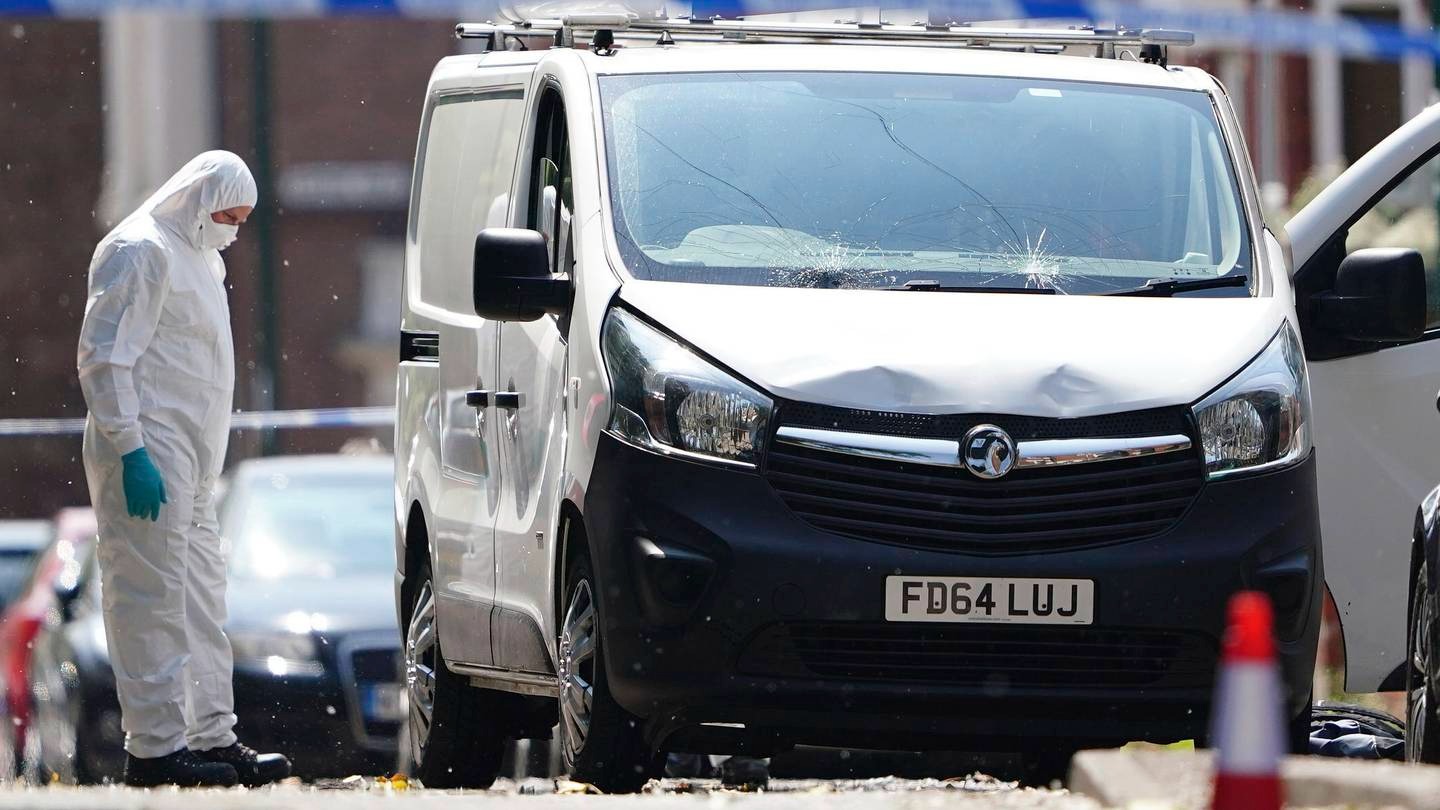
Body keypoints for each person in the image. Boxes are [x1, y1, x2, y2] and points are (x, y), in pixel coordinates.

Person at [77, 151, 291, 789]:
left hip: (193, 463)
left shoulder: (201, 257)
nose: (232, 227)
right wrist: (131, 449)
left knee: (200, 599)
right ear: (199, 198)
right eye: (227, 213)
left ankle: (211, 737)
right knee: (150, 598)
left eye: (242, 219)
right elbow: (105, 359)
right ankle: (155, 749)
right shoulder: (139, 250)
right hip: (146, 453)